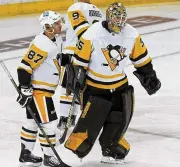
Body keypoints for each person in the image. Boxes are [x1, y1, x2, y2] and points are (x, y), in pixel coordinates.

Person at [63, 2, 161, 164]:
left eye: (123, 18)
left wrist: (149, 74)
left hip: (119, 85)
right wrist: (76, 81)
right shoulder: (92, 33)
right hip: (95, 87)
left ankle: (110, 147)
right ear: (108, 17)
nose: (120, 21)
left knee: (119, 118)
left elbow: (141, 57)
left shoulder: (131, 33)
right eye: (116, 17)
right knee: (91, 123)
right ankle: (79, 145)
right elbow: (79, 62)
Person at [16, 10, 70, 167]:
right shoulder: (41, 43)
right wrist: (25, 89)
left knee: (31, 123)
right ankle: (50, 157)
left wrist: (66, 59)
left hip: (44, 91)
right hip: (39, 92)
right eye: (57, 23)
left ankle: (25, 154)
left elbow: (54, 58)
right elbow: (24, 67)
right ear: (48, 27)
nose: (60, 25)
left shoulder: (55, 40)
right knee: (49, 125)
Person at [58, 0, 103, 130]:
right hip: (89, 54)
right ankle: (73, 117)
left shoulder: (76, 7)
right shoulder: (98, 11)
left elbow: (81, 32)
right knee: (79, 86)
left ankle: (64, 117)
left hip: (73, 52)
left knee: (66, 84)